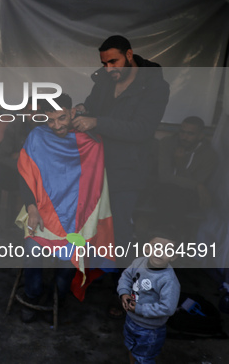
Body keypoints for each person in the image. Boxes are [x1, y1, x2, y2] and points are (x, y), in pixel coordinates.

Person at [17, 94, 114, 323]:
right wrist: (31, 207)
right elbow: (24, 176)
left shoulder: (90, 141)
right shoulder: (37, 137)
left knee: (71, 257)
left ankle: (57, 299)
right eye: (51, 120)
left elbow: (94, 189)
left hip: (75, 217)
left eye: (62, 118)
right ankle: (33, 296)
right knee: (32, 253)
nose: (57, 125)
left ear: (72, 113)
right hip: (41, 213)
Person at [73, 35, 170, 252]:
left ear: (128, 55)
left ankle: (118, 281)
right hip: (95, 165)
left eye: (113, 62)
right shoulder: (105, 81)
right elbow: (92, 107)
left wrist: (96, 121)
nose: (108, 69)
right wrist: (82, 110)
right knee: (91, 226)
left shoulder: (155, 87)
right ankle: (92, 276)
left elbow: (142, 130)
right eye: (104, 64)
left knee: (118, 229)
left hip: (128, 171)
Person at [117, 227, 181, 364]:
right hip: (130, 319)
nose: (160, 252)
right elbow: (126, 276)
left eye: (168, 250)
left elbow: (168, 308)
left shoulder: (168, 280)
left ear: (174, 256)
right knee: (131, 347)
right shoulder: (138, 262)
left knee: (144, 358)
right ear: (147, 248)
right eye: (156, 247)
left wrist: (139, 309)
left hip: (150, 330)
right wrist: (123, 293)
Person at [0, 103, 40, 238]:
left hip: (41, 179)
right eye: (31, 112)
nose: (34, 116)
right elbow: (0, 156)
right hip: (20, 174)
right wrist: (22, 163)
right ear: (24, 112)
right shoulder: (16, 126)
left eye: (38, 113)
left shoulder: (49, 127)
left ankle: (43, 226)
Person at [157, 116, 218, 221]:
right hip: (163, 190)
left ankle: (167, 230)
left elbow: (194, 188)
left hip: (187, 196)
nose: (184, 137)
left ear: (200, 136)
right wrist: (197, 185)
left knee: (183, 196)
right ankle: (167, 230)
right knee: (169, 192)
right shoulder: (167, 143)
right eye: (182, 132)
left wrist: (181, 166)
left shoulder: (209, 155)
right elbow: (164, 177)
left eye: (190, 134)